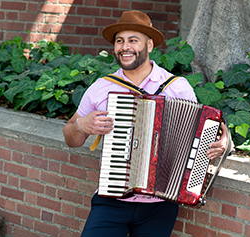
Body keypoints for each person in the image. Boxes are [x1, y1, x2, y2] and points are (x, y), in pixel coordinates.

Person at [63, 10, 231, 237]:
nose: (125, 47)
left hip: (160, 203)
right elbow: (71, 138)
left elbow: (202, 131)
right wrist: (81, 125)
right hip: (112, 199)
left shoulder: (176, 87)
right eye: (120, 41)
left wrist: (225, 142)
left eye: (133, 40)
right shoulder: (101, 87)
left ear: (149, 45)